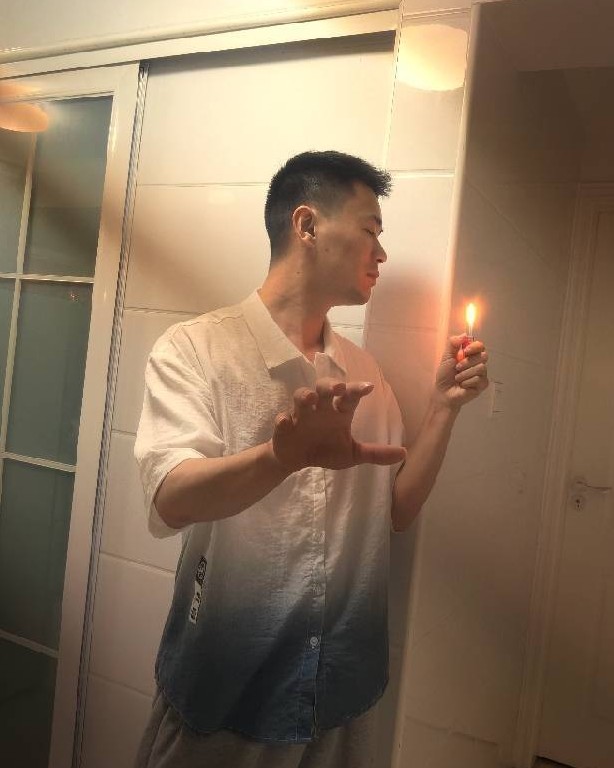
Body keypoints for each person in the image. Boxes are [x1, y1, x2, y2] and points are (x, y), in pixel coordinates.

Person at [133, 150, 489, 768]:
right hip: (229, 692)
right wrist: (280, 457)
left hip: (342, 693)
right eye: (371, 230)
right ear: (307, 225)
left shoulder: (362, 373)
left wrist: (443, 408)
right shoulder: (196, 350)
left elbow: (396, 511)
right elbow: (171, 497)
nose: (382, 253)